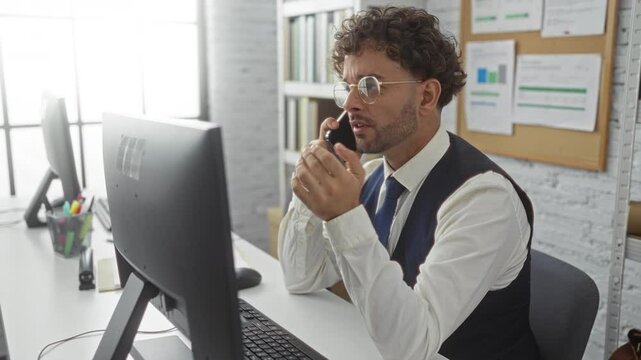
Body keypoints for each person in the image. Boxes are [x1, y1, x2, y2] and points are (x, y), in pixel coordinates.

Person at [278, 6, 540, 360]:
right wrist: (311, 191)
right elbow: (300, 278)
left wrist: (344, 218)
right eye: (348, 86)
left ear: (426, 97)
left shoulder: (483, 199)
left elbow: (413, 347)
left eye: (370, 85)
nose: (350, 104)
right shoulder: (369, 178)